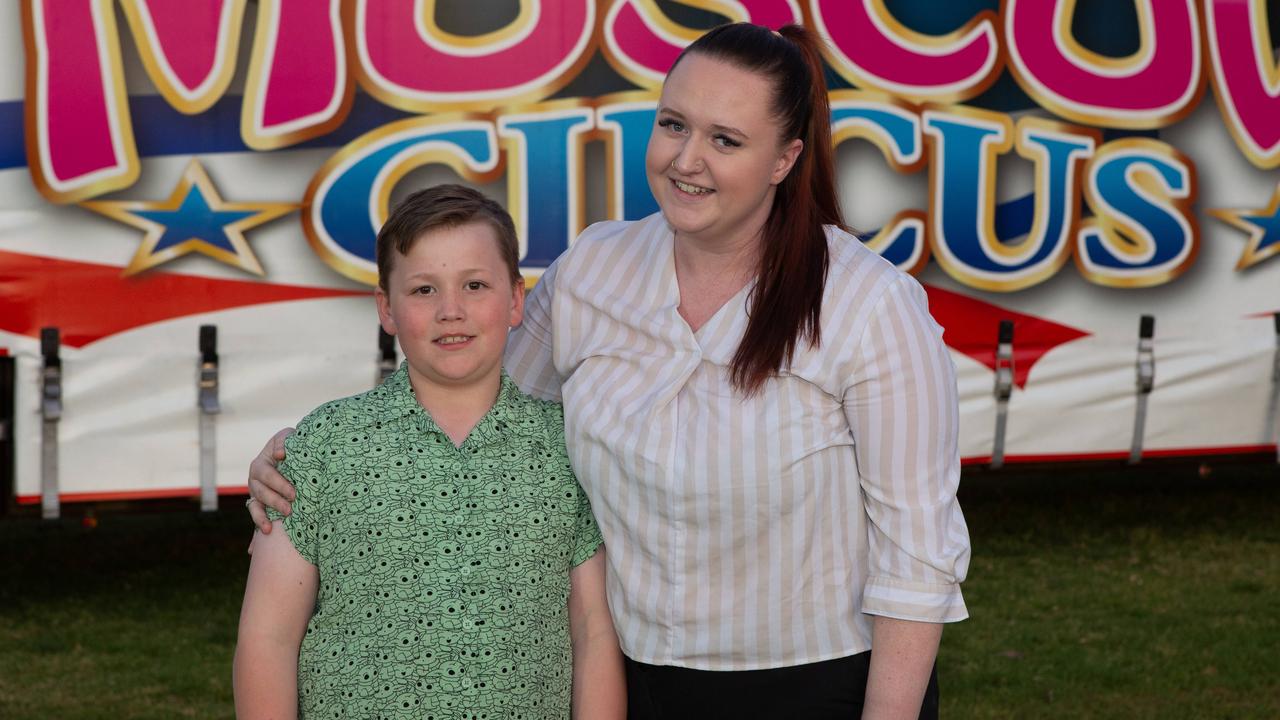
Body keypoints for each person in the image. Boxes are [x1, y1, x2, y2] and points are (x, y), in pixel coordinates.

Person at [248, 23, 969, 719]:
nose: (687, 160)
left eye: (725, 140)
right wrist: (311, 454)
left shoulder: (869, 305)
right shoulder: (593, 272)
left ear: (784, 159)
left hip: (815, 687)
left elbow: (917, 558)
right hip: (632, 682)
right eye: (673, 125)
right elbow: (478, 406)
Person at [234, 185, 625, 719]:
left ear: (516, 300)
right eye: (423, 290)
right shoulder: (326, 446)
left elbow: (593, 631)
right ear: (386, 308)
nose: (451, 310)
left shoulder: (567, 448)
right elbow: (268, 637)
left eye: (475, 284)